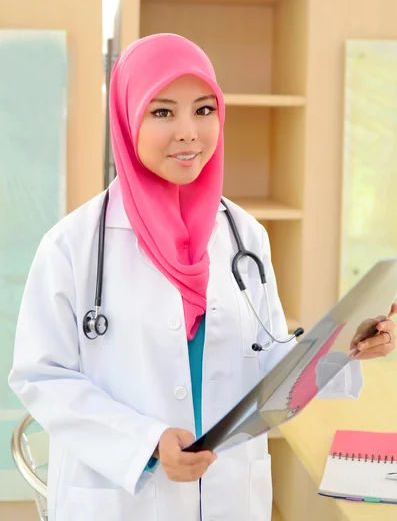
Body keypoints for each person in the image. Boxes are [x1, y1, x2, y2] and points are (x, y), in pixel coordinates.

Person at [9, 33, 396, 521]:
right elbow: (41, 377)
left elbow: (269, 357)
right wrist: (146, 442)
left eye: (205, 110)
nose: (189, 132)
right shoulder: (72, 246)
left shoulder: (243, 236)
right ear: (128, 121)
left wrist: (345, 349)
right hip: (122, 499)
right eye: (163, 112)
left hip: (227, 495)